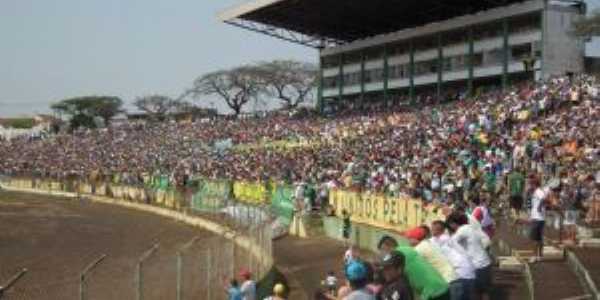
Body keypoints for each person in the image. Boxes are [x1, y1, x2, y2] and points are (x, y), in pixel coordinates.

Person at [377, 236, 449, 300]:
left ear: (388, 246)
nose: (384, 254)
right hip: (441, 286)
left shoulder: (399, 254)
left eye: (383, 250)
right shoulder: (408, 249)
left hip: (432, 292)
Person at [446, 213, 491, 300]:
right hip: (484, 262)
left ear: (454, 223)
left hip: (478, 264)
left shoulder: (462, 230)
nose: (450, 226)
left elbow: (451, 242)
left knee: (476, 293)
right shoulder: (470, 227)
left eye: (450, 224)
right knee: (483, 292)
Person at [430, 221, 476, 300]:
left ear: (435, 230)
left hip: (460, 275)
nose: (431, 231)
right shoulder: (447, 238)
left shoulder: (441, 242)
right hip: (469, 273)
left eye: (432, 229)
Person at [528, 177, 552, 263]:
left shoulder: (538, 191)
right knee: (539, 238)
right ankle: (540, 256)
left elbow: (544, 199)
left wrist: (539, 206)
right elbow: (546, 199)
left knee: (534, 238)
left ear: (534, 184)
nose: (529, 185)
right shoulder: (539, 191)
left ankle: (534, 256)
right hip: (540, 218)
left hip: (537, 218)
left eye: (530, 184)